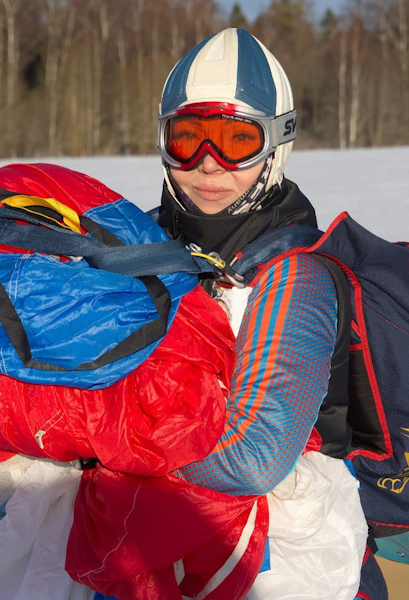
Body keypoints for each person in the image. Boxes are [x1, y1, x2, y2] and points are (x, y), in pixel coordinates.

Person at [155, 28, 383, 599]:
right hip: (171, 545)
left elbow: (255, 457)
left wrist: (94, 445)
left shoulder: (296, 274)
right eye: (188, 139)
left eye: (235, 140)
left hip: (296, 559)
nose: (207, 165)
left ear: (276, 145)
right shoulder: (141, 248)